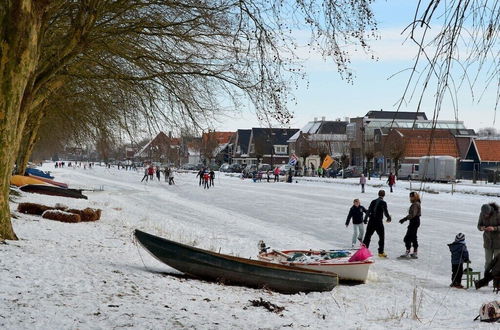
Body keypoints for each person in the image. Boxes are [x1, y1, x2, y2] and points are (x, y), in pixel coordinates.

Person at [362, 189, 391, 258]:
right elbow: (385, 212)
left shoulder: (373, 201)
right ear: (384, 195)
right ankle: (380, 252)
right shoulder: (383, 203)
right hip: (378, 222)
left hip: (371, 221)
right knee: (381, 237)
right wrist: (388, 217)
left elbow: (368, 211)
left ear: (378, 194)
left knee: (367, 236)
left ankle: (363, 251)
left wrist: (365, 219)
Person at [477, 203, 500, 272]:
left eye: (487, 214)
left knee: (497, 264)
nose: (485, 215)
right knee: (488, 263)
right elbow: (479, 225)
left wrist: (494, 228)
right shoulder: (482, 214)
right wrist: (481, 228)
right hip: (487, 242)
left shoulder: (498, 214)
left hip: (498, 243)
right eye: (484, 214)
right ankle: (485, 281)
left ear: (490, 211)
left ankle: (496, 282)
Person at [399, 192, 421, 259]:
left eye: (412, 197)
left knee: (407, 238)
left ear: (415, 197)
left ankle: (408, 251)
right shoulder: (416, 203)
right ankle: (414, 251)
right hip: (415, 221)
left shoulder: (415, 204)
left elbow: (413, 214)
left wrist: (405, 219)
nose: (411, 198)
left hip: (414, 221)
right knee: (413, 237)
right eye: (410, 197)